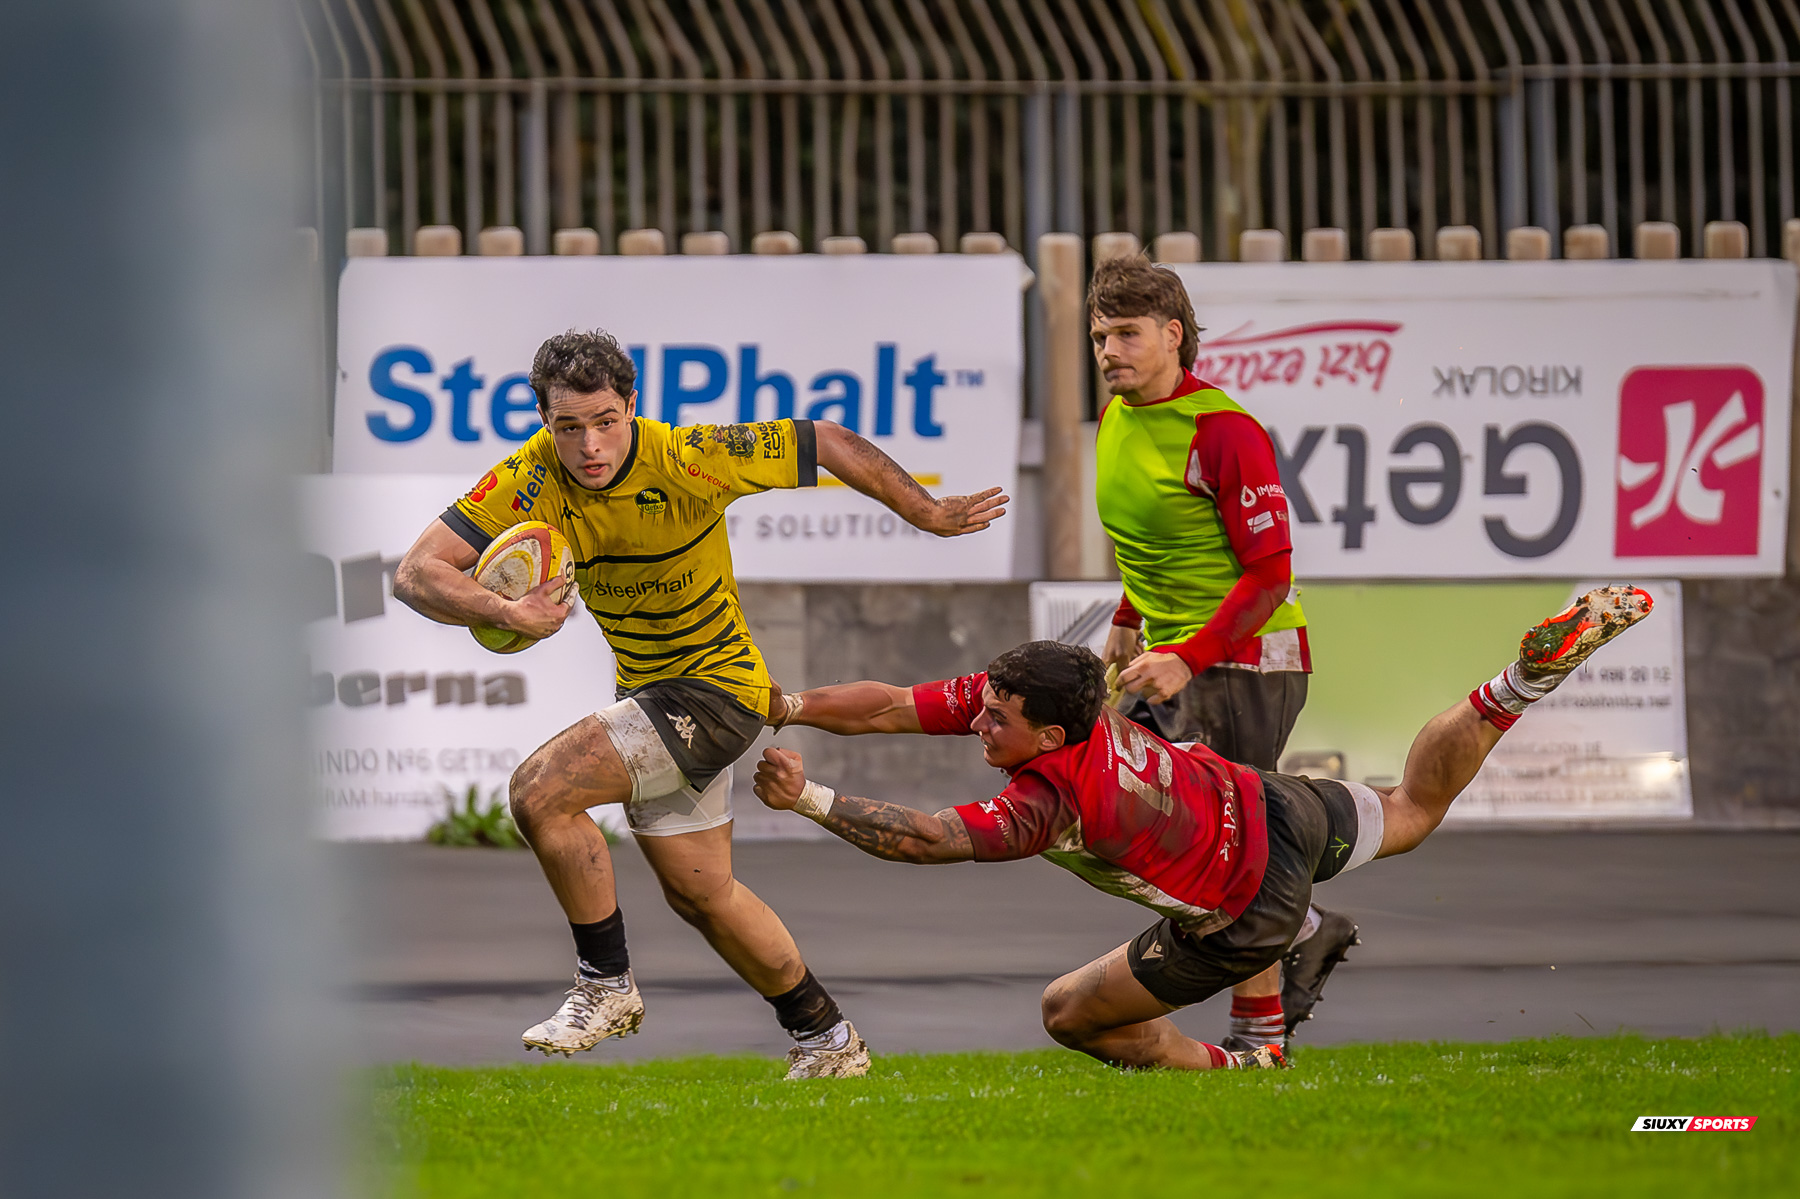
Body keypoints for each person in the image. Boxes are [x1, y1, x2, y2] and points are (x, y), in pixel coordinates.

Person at [394, 328, 1006, 1078]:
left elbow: (828, 439)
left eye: (606, 420)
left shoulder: (691, 456)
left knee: (539, 791)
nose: (590, 444)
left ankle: (604, 982)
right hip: (651, 695)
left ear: (632, 407)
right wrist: (507, 610)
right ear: (544, 420)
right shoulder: (529, 477)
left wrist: (927, 512)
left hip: (716, 691)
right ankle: (827, 1038)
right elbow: (416, 573)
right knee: (704, 894)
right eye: (569, 426)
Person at [755, 587, 1654, 1070]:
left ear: (1053, 736)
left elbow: (928, 837)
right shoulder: (1056, 697)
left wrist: (807, 799)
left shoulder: (1054, 799)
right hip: (1268, 802)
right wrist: (786, 703)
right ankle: (1516, 686)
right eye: (980, 707)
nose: (977, 723)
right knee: (1414, 810)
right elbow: (888, 706)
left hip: (1242, 909)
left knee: (1067, 1013)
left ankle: (1242, 1063)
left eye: (994, 720)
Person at [1087, 253, 1353, 1051]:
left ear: (1174, 335)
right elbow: (1154, 542)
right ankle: (1302, 921)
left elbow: (1271, 576)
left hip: (1242, 663)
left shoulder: (1225, 430)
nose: (1108, 351)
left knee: (1234, 849)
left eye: (1126, 334)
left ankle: (1261, 1033)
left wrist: (1187, 658)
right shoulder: (1119, 416)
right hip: (1170, 656)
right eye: (1100, 335)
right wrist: (1129, 620)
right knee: (1113, 812)